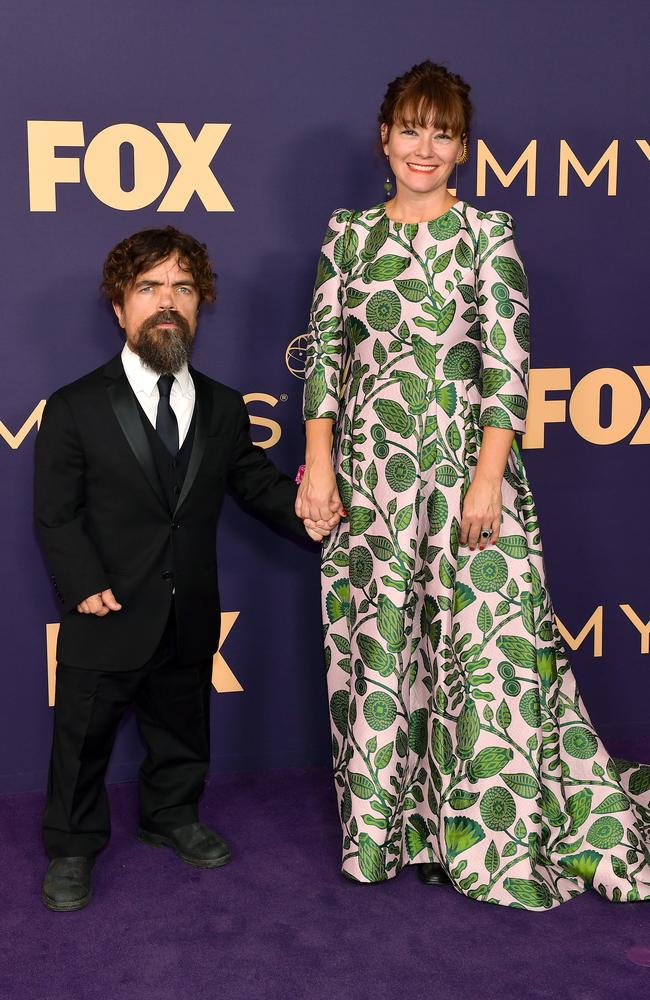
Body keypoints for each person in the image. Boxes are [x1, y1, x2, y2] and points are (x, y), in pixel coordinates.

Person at [296, 61, 650, 908]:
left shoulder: (486, 234)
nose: (426, 147)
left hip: (464, 476)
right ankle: (394, 831)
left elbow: (507, 367)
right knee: (384, 651)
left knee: (481, 655)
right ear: (384, 136)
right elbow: (323, 364)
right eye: (412, 129)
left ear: (463, 148)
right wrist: (319, 465)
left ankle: (486, 833)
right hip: (374, 483)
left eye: (444, 133)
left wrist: (488, 479)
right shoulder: (347, 234)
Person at [35, 226, 332, 912]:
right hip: (104, 607)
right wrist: (81, 584)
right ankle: (74, 846)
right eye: (149, 288)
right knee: (82, 739)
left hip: (189, 605)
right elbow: (56, 513)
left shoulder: (224, 406)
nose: (167, 302)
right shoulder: (76, 404)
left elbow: (255, 485)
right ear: (120, 308)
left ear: (199, 306)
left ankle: (172, 814)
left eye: (183, 288)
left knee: (182, 723)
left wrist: (314, 515)